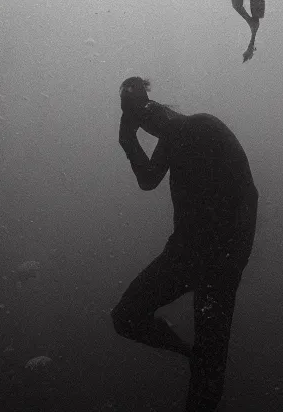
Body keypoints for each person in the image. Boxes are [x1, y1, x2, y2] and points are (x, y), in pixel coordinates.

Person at [111, 77, 259, 411]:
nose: (141, 124)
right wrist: (128, 139)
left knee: (129, 317)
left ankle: (194, 356)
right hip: (204, 254)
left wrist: (128, 138)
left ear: (154, 109)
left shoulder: (193, 128)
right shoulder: (182, 133)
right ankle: (194, 355)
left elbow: (149, 179)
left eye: (140, 116)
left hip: (205, 255)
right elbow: (150, 179)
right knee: (205, 359)